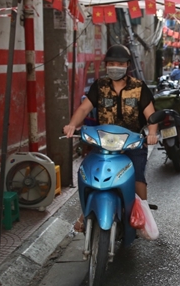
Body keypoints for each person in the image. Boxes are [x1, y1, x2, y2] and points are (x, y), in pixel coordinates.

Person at [64, 45, 159, 229]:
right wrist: (72, 125)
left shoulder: (138, 87)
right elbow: (84, 108)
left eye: (120, 63)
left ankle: (142, 217)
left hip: (132, 143)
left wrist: (153, 133)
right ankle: (85, 214)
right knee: (88, 174)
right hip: (104, 143)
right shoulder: (100, 86)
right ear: (106, 65)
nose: (115, 67)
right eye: (112, 63)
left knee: (138, 178)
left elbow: (151, 115)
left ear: (127, 65)